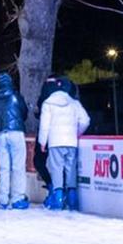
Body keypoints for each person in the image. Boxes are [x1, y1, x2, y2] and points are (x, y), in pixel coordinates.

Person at [38, 82, 91, 211]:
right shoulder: (74, 103)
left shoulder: (48, 104)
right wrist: (76, 132)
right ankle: (72, 199)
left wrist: (42, 142)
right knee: (71, 169)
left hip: (55, 142)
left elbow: (44, 125)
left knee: (56, 169)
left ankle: (58, 199)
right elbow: (85, 120)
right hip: (71, 141)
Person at [0, 71, 30, 209]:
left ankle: (3, 198)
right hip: (15, 132)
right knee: (18, 167)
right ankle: (17, 198)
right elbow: (24, 112)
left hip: (0, 134)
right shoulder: (15, 96)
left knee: (4, 168)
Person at [34, 74, 80, 193]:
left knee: (47, 163)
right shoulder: (69, 92)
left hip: (52, 135)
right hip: (67, 136)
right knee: (65, 166)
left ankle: (56, 191)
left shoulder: (47, 96)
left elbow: (43, 120)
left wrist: (42, 141)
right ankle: (66, 193)